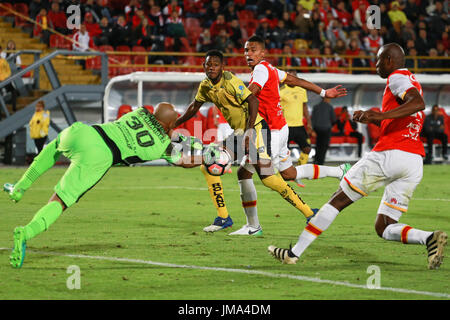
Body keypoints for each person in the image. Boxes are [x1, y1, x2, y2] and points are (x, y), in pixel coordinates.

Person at [268, 43, 448, 270]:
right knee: (384, 226)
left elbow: (417, 103)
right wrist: (376, 117)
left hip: (390, 154)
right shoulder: (411, 79)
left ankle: (293, 253)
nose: (375, 65)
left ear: (390, 61)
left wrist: (380, 116)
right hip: (413, 162)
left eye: (379, 60)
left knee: (337, 200)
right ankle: (429, 238)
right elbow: (414, 104)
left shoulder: (396, 77)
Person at [4, 103, 204, 268]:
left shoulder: (141, 111)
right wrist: (204, 157)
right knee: (61, 200)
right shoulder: (163, 147)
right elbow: (183, 161)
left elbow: (158, 127)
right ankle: (26, 232)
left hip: (86, 132)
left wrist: (176, 135)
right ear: (170, 125)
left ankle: (20, 186)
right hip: (100, 155)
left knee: (55, 146)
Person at [174, 50, 317, 234]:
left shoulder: (231, 80)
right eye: (208, 64)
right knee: (211, 166)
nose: (211, 68)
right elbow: (194, 106)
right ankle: (224, 218)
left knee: (268, 179)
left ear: (222, 67)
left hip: (256, 128)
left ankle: (308, 212)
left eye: (215, 65)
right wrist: (175, 124)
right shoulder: (205, 86)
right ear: (204, 66)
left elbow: (253, 101)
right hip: (241, 132)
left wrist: (250, 131)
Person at [228, 35, 349, 236]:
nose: (248, 54)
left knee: (258, 174)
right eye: (246, 50)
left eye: (253, 50)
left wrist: (231, 101)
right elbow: (294, 79)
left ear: (262, 53)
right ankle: (339, 171)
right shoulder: (271, 69)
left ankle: (302, 215)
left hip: (271, 134)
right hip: (280, 128)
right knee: (288, 174)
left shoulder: (260, 70)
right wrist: (323, 93)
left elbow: (252, 92)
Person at [280, 69, 315, 166]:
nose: (292, 79)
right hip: (286, 127)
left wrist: (309, 123)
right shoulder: (281, 91)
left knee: (307, 149)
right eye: (290, 76)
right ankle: (281, 172)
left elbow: (304, 107)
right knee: (283, 152)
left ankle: (299, 168)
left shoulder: (302, 90)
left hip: (299, 126)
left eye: (294, 76)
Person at [311, 97, 336, 165]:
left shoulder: (315, 107)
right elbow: (333, 119)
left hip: (317, 129)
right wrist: (332, 125)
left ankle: (316, 160)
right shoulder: (330, 107)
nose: (330, 100)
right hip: (326, 129)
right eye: (329, 98)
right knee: (324, 146)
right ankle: (321, 162)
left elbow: (312, 119)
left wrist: (312, 130)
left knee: (318, 145)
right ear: (326, 99)